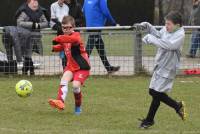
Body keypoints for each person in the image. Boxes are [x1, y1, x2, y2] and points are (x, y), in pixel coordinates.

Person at [138, 11, 186, 129]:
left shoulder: (180, 34)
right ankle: (177, 106)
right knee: (153, 92)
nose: (166, 26)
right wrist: (148, 26)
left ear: (177, 25)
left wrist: (151, 38)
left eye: (169, 24)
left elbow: (169, 45)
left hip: (168, 69)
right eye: (166, 23)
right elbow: (160, 35)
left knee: (156, 93)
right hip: (160, 65)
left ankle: (149, 121)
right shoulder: (168, 29)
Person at [48, 16, 90, 115]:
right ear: (62, 28)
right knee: (64, 79)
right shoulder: (65, 40)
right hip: (71, 66)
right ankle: (60, 101)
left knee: (75, 86)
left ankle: (78, 106)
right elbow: (62, 46)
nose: (67, 30)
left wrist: (58, 38)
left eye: (69, 27)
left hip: (82, 67)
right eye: (64, 28)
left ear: (73, 27)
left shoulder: (76, 36)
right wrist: (54, 48)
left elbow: (70, 40)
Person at [83, 0, 120, 74]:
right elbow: (105, 11)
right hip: (97, 26)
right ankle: (79, 68)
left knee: (100, 47)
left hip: (90, 26)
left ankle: (109, 68)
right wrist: (114, 23)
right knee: (88, 49)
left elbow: (83, 10)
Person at [15, 0, 48, 75]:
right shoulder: (24, 12)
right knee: (27, 54)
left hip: (36, 37)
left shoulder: (40, 12)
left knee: (28, 54)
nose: (35, 3)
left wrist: (38, 25)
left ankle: (26, 70)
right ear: (28, 3)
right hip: (24, 36)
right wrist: (32, 25)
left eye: (36, 2)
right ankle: (29, 69)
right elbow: (19, 23)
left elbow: (46, 23)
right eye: (33, 2)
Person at [50, 0, 69, 69]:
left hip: (64, 26)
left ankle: (60, 46)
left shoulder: (66, 7)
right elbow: (53, 18)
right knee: (61, 30)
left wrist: (64, 24)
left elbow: (66, 18)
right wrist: (61, 24)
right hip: (56, 24)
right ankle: (58, 44)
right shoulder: (53, 5)